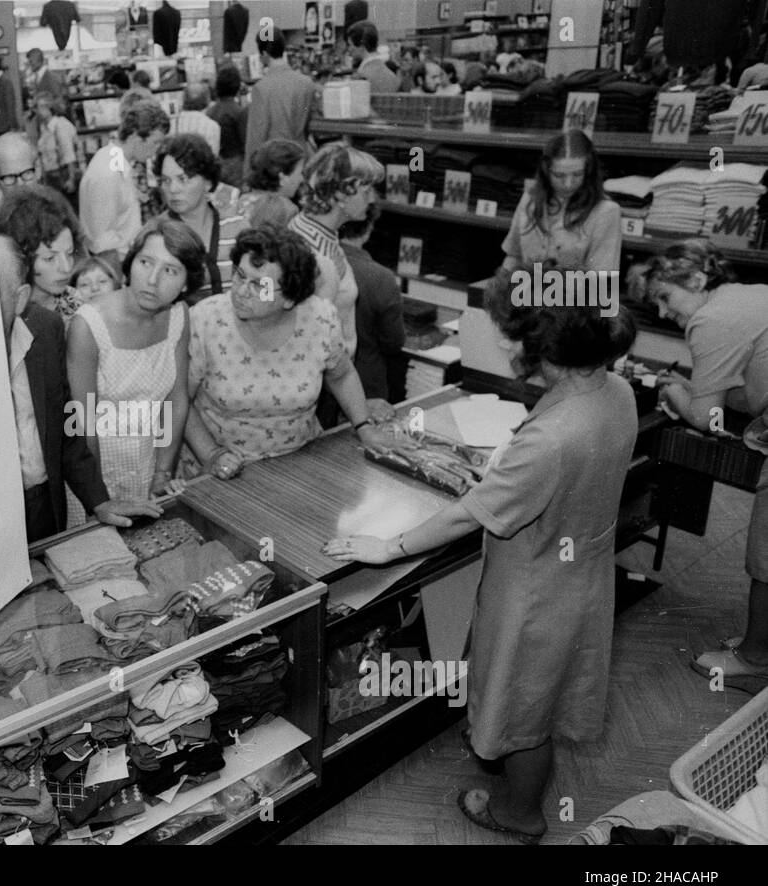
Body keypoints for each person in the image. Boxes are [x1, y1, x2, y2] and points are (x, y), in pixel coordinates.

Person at [325, 272, 638, 845]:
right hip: (581, 572)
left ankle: (520, 813)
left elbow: (469, 514)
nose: (509, 346)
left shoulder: (552, 438)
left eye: (515, 336)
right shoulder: (614, 391)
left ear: (543, 346)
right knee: (536, 692)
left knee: (524, 713)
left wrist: (387, 546)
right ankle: (503, 757)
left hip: (534, 592)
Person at [642, 240, 768, 686]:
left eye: (665, 296)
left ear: (695, 281)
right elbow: (750, 386)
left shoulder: (708, 318)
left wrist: (671, 390)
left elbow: (707, 417)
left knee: (766, 553)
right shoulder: (743, 297)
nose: (660, 312)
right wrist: (692, 386)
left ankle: (755, 662)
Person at [181, 227, 398, 481]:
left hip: (300, 461)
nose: (241, 291)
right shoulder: (206, 321)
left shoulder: (320, 319)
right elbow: (179, 401)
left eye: (260, 286)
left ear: (289, 298)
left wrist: (364, 427)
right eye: (240, 276)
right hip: (222, 469)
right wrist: (212, 455)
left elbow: (341, 375)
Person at [0, 227, 162, 542]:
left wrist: (99, 501)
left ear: (20, 299)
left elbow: (65, 427)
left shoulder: (46, 330)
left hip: (43, 505)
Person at [68, 217, 197, 500]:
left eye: (170, 270)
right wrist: (99, 499)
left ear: (187, 284)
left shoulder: (178, 316)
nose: (153, 280)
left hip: (153, 466)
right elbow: (83, 422)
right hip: (97, 474)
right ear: (129, 265)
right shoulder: (88, 325)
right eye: (145, 263)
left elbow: (175, 400)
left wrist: (162, 471)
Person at [289, 141, 384, 356]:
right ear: (341, 195)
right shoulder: (313, 250)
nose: (371, 199)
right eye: (366, 190)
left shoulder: (317, 231)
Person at [501, 129, 621, 274]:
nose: (568, 184)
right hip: (525, 293)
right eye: (559, 175)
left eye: (577, 174)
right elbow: (513, 256)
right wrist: (500, 288)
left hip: (575, 296)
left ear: (588, 171)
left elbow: (600, 280)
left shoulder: (606, 211)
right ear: (546, 171)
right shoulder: (530, 199)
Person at [154, 133, 247, 303]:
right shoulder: (155, 234)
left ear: (208, 182)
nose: (173, 189)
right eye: (166, 180)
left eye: (183, 179)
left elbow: (265, 278)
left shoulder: (238, 227)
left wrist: (267, 312)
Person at [79, 100, 169, 257]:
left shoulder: (115, 161)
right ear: (135, 136)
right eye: (155, 143)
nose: (156, 150)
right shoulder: (108, 174)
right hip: (114, 262)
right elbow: (101, 240)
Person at [340, 204, 407, 405]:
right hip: (364, 383)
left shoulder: (315, 262)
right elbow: (394, 341)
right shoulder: (381, 278)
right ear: (368, 229)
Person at [0, 182, 82, 324]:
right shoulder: (6, 314)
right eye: (50, 258)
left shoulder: (77, 303)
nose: (67, 268)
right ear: (22, 257)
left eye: (69, 253)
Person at [244, 26, 319, 163]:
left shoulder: (261, 89)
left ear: (264, 53)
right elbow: (309, 121)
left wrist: (248, 173)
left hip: (275, 162)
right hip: (301, 157)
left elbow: (256, 136)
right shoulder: (306, 83)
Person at [238, 139, 305, 232]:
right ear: (283, 177)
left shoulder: (242, 200)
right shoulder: (287, 210)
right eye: (300, 173)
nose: (302, 179)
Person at [33, 92, 80, 201]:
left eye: (38, 107)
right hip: (52, 178)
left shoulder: (60, 126)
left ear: (49, 108)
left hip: (62, 176)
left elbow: (69, 153)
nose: (36, 111)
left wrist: (71, 179)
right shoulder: (44, 128)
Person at [207, 64, 247, 188]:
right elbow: (245, 141)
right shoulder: (238, 111)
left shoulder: (211, 111)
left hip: (217, 163)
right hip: (236, 164)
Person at [0, 131, 37, 219]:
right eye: (10, 177)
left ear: (37, 170)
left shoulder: (54, 209)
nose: (20, 184)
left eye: (26, 173)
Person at [347, 20, 400, 93]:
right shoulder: (393, 77)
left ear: (361, 45)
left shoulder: (362, 78)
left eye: (350, 45)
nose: (349, 49)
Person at [170, 81, 221, 155]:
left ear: (183, 99)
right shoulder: (213, 126)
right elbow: (213, 157)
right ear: (207, 100)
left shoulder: (171, 124)